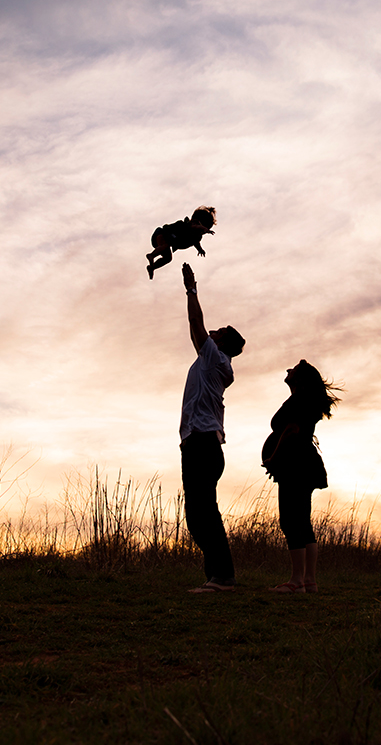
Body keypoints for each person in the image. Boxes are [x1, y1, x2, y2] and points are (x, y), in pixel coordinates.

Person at [177, 261, 245, 592]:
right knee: (196, 515)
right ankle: (215, 577)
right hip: (196, 444)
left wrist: (191, 289)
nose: (210, 332)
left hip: (204, 444)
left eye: (216, 332)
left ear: (221, 343)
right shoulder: (213, 362)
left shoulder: (215, 358)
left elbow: (195, 324)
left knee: (205, 511)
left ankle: (224, 577)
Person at [261, 360, 339, 593]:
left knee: (290, 520)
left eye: (292, 369)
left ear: (300, 378)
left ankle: (296, 581)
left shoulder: (298, 401)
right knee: (302, 520)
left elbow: (290, 431)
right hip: (305, 463)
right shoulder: (308, 402)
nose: (287, 370)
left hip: (294, 464)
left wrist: (274, 458)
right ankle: (309, 581)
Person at [147, 206, 216, 279]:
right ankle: (152, 255)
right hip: (161, 234)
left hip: (164, 241)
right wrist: (205, 229)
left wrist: (200, 249)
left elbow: (196, 243)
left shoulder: (196, 237)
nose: (202, 232)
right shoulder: (190, 225)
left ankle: (152, 267)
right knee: (166, 244)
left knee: (168, 258)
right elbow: (194, 227)